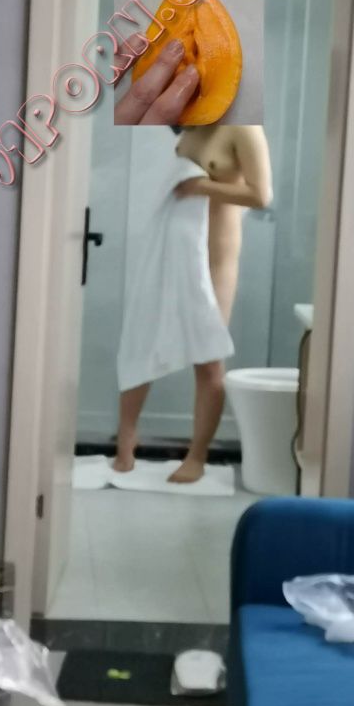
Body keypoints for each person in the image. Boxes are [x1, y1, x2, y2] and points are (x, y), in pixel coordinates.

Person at [113, 122, 273, 483]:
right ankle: (126, 438)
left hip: (215, 259)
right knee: (141, 337)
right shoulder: (193, 128)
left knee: (208, 357)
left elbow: (261, 195)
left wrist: (199, 187)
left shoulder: (244, 129)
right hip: (173, 250)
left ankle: (197, 456)